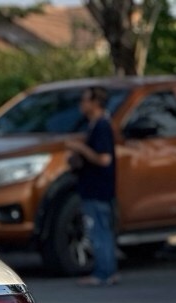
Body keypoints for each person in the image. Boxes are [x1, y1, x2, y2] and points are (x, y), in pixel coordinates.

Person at [66, 86, 118, 286]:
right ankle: (107, 271)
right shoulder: (93, 125)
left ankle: (103, 272)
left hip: (98, 189)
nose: (82, 104)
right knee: (102, 230)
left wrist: (81, 148)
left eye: (85, 100)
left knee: (98, 230)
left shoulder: (102, 126)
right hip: (94, 187)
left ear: (96, 102)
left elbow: (104, 159)